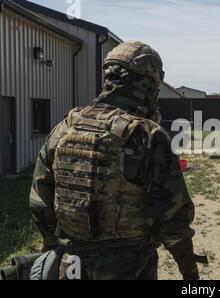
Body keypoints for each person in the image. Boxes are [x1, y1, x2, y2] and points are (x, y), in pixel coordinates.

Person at [29, 41, 199, 280]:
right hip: (130, 265)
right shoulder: (147, 135)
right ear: (147, 83)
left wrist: (52, 246)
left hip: (71, 262)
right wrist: (189, 271)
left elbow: (40, 198)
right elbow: (172, 217)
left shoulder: (65, 128)